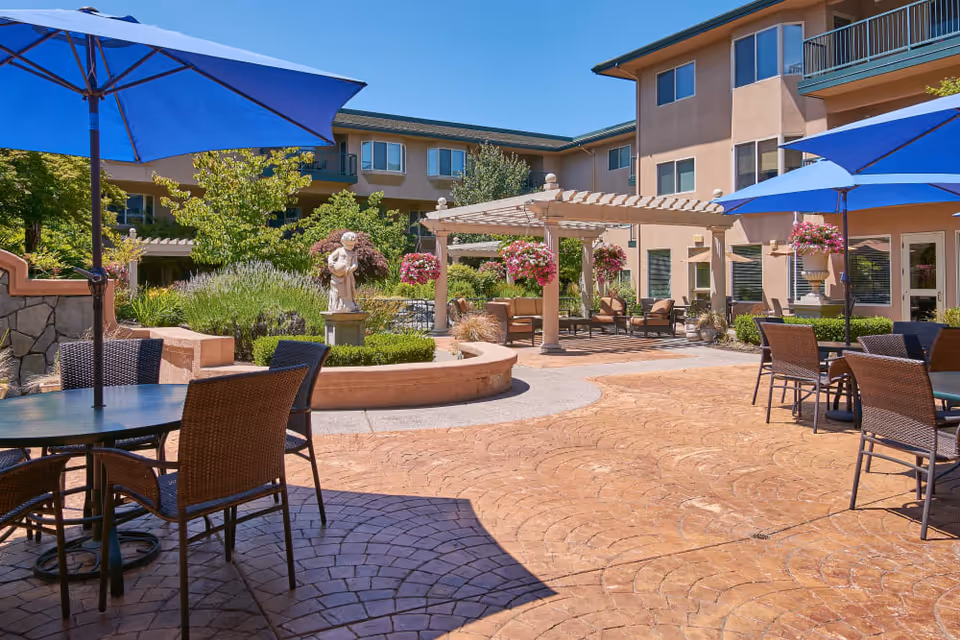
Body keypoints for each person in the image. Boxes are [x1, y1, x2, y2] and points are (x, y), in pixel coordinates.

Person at [327, 231, 360, 312]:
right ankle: (339, 305)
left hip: (348, 274)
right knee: (339, 290)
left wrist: (350, 269)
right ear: (343, 242)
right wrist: (331, 262)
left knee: (350, 289)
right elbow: (331, 256)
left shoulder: (353, 253)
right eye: (349, 244)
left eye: (352, 244)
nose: (351, 246)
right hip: (338, 274)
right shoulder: (339, 250)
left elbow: (355, 264)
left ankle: (349, 304)